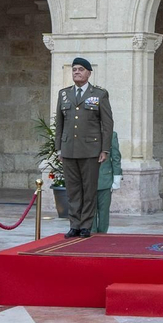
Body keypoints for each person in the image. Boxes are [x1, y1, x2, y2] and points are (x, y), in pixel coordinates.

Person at [55, 58, 114, 238]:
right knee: (72, 190)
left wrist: (104, 149)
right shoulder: (64, 94)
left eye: (80, 69)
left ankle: (86, 225)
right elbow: (60, 123)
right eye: (74, 69)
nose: (77, 72)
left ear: (89, 72)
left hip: (90, 149)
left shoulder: (99, 94)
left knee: (89, 190)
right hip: (68, 149)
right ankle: (74, 225)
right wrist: (59, 148)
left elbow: (107, 124)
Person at [94, 129, 122, 235]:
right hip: (88, 178)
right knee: (90, 210)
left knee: (103, 211)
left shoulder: (111, 135)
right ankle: (91, 234)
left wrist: (116, 176)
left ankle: (102, 235)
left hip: (105, 178)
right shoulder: (85, 132)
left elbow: (116, 157)